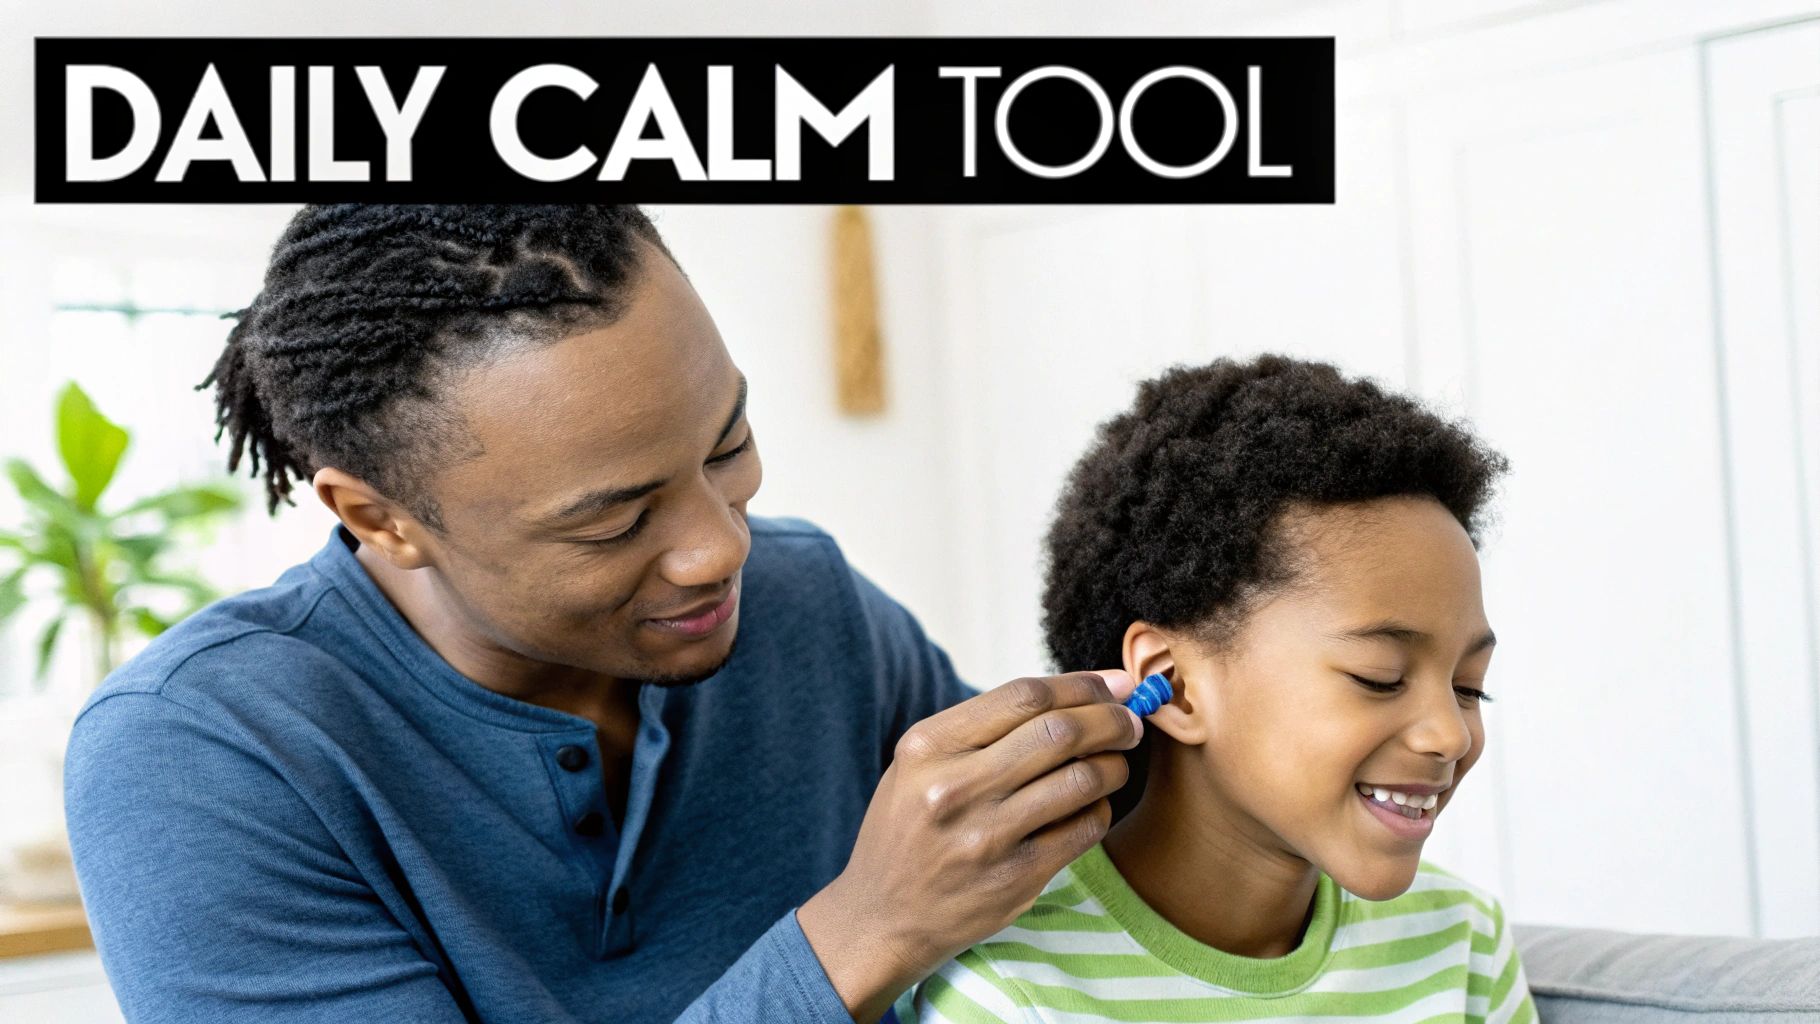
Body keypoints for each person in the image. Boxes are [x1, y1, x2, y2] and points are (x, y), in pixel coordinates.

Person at [62, 205, 1146, 1024]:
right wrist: (866, 929)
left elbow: (1089, 880)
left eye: (726, 442)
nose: (722, 545)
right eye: (612, 520)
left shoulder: (808, 604)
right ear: (379, 516)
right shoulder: (202, 753)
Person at [899, 355, 1539, 1022]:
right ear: (1172, 685)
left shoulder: (1462, 945)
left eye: (1469, 687)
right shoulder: (1011, 989)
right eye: (1379, 678)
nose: (1449, 733)